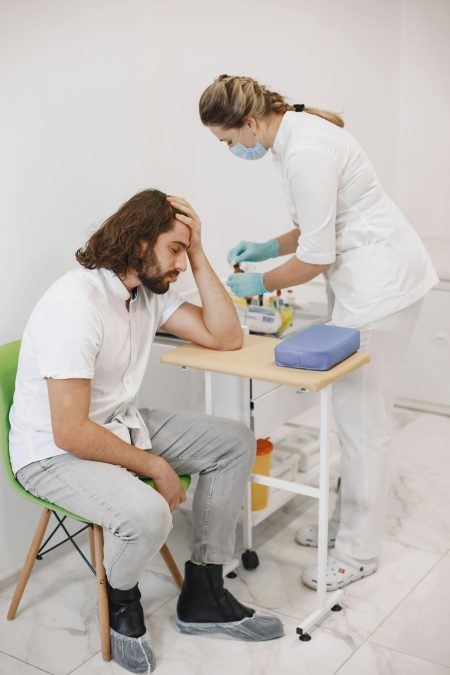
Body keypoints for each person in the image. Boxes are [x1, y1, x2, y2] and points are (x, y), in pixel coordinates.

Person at [9, 189, 284, 674]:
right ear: (140, 244)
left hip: (116, 426)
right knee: (148, 513)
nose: (180, 262)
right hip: (52, 453)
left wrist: (197, 252)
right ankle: (123, 600)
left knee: (233, 441)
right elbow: (70, 430)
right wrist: (155, 465)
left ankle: (204, 592)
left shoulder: (144, 294)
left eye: (185, 251)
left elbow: (226, 336)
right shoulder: (77, 305)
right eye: (175, 249)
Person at [199, 74, 438, 592]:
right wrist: (267, 246)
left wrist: (260, 280)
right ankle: (346, 525)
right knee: (354, 418)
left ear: (248, 122)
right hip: (371, 280)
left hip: (380, 291)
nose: (229, 149)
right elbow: (317, 224)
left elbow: (317, 254)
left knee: (363, 425)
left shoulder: (305, 148)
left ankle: (357, 552)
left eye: (226, 140)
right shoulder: (294, 133)